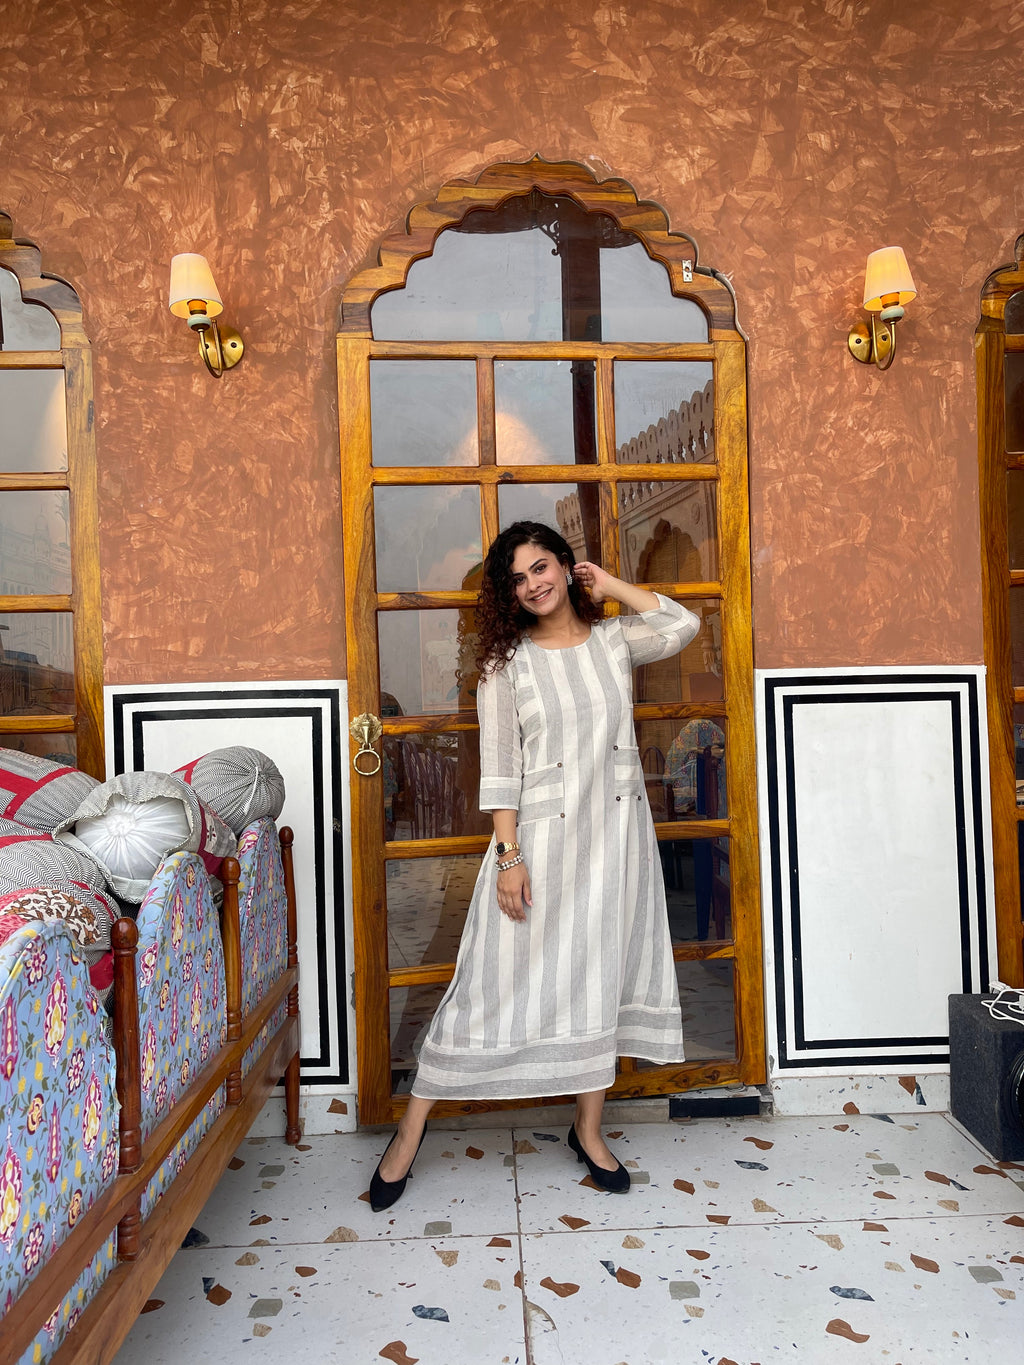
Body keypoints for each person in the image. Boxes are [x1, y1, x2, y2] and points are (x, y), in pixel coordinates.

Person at [369, 520, 701, 1210]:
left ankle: (588, 1129)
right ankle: (409, 1131)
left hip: (616, 838)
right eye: (518, 579)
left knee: (600, 971)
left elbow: (682, 624)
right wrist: (509, 857)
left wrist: (608, 584)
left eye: (542, 567)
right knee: (488, 981)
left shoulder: (614, 642)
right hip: (541, 846)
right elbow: (501, 769)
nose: (533, 585)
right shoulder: (506, 665)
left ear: (566, 567)